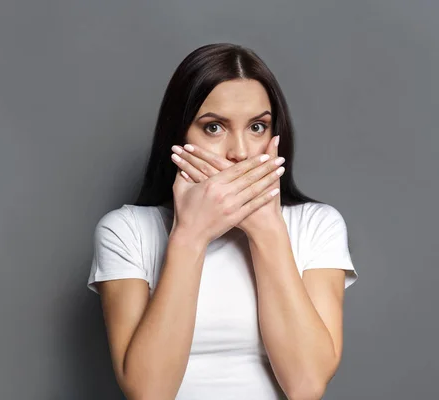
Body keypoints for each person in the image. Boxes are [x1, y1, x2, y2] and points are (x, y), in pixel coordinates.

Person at [86, 43, 358, 400]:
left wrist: (267, 230)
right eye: (214, 127)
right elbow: (149, 392)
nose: (241, 152)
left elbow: (306, 386)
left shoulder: (317, 225)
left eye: (257, 127)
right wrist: (189, 236)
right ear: (179, 136)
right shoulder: (126, 231)